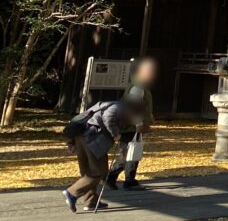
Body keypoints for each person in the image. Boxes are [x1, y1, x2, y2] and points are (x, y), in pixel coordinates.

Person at [63, 88, 146, 212]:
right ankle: (72, 192)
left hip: (82, 137)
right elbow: (108, 118)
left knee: (87, 171)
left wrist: (71, 142)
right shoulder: (118, 107)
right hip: (93, 138)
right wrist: (115, 134)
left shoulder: (114, 105)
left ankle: (91, 201)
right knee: (100, 171)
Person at [108, 56, 158, 190]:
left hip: (132, 125)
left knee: (131, 153)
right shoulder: (137, 87)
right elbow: (132, 108)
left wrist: (150, 116)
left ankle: (121, 178)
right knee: (129, 153)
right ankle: (120, 179)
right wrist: (138, 123)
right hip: (131, 126)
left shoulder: (139, 86)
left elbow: (143, 106)